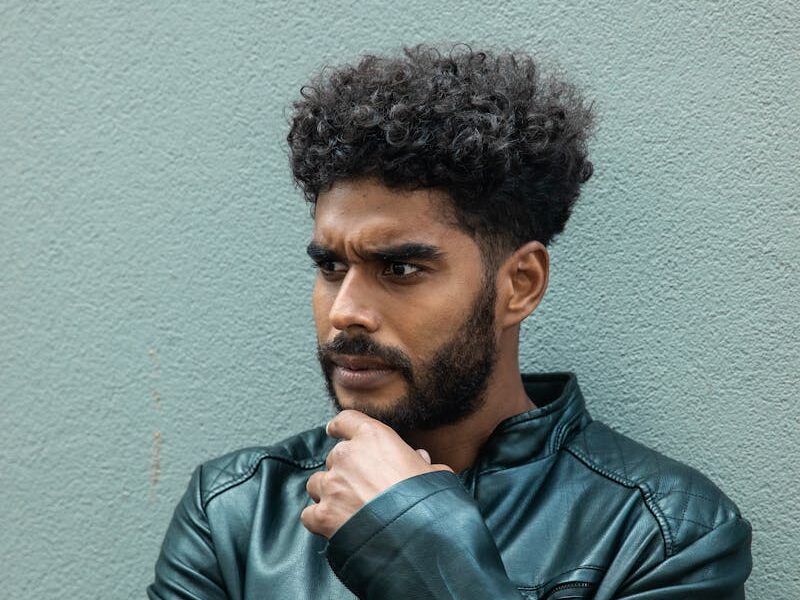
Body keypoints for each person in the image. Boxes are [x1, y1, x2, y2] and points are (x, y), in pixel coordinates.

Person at [148, 45, 752, 599]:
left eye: (401, 268)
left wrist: (413, 541)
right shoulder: (234, 515)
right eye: (331, 265)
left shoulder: (661, 535)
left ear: (520, 285)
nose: (345, 311)